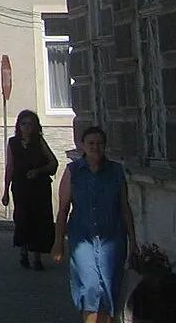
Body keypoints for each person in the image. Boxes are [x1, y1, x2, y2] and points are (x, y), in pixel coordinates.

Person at [52, 125, 134, 322]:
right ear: (82, 146)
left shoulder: (115, 171)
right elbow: (63, 209)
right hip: (83, 237)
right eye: (90, 143)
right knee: (90, 287)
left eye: (99, 143)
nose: (95, 147)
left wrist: (134, 241)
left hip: (112, 238)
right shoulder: (73, 171)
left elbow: (125, 207)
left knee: (110, 289)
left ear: (105, 146)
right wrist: (58, 243)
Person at [3, 108, 59, 271]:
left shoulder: (39, 142)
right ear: (18, 126)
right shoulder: (13, 143)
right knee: (22, 218)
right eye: (23, 124)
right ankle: (23, 252)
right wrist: (6, 190)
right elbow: (10, 167)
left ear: (35, 126)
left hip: (39, 187)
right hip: (21, 186)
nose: (27, 127)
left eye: (30, 124)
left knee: (39, 220)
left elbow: (53, 163)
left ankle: (37, 257)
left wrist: (38, 171)